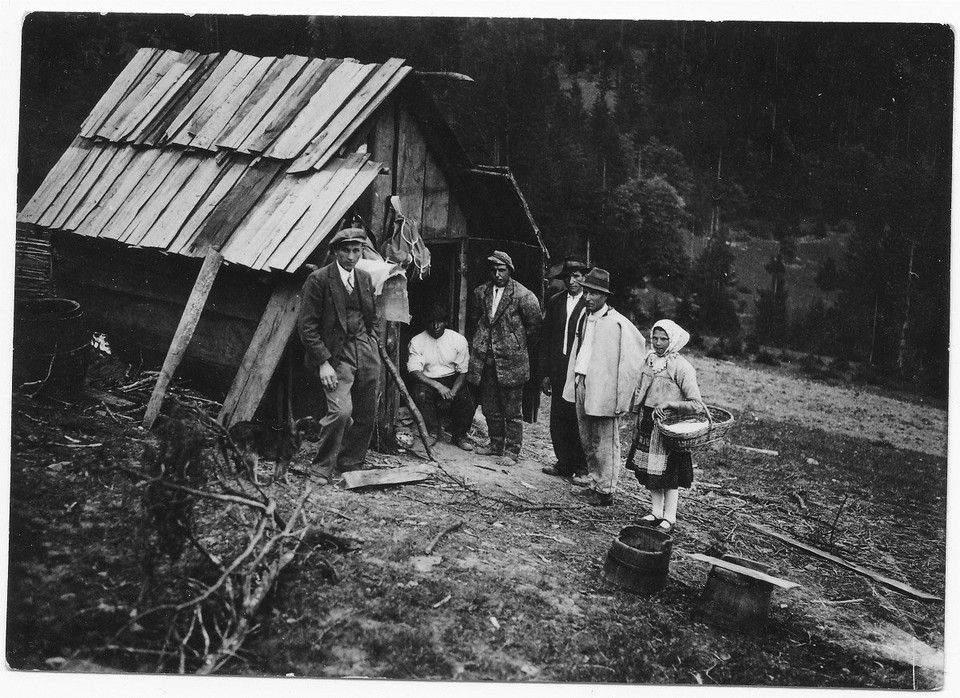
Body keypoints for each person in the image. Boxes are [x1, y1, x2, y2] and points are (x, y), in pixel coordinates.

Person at [297, 228, 382, 480]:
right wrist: (323, 362)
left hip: (365, 350)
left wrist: (373, 341)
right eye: (346, 250)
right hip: (336, 354)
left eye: (356, 251)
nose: (351, 256)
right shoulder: (319, 279)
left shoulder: (365, 278)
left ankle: (351, 463)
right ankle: (322, 467)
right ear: (335, 251)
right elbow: (307, 326)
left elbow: (373, 316)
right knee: (341, 411)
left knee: (366, 410)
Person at [561, 268, 646, 506]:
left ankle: (606, 490)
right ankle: (595, 482)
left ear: (605, 296)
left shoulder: (618, 323)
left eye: (594, 294)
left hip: (604, 388)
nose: (589, 298)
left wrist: (622, 396)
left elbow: (634, 357)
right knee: (587, 437)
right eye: (587, 292)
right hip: (582, 381)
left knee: (605, 439)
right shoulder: (584, 317)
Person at [467, 250, 541, 466]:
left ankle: (512, 451)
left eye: (502, 270)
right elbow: (475, 320)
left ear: (510, 270)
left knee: (512, 411)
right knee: (490, 407)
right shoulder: (481, 293)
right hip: (486, 360)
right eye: (494, 270)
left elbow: (534, 328)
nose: (497, 274)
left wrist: (514, 343)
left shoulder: (524, 296)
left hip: (512, 363)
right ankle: (495, 444)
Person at [629, 319, 704, 534]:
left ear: (673, 340)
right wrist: (637, 415)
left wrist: (670, 403)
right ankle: (656, 512)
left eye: (664, 339)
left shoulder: (681, 367)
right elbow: (640, 391)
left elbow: (696, 404)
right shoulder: (649, 361)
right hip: (648, 422)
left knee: (669, 474)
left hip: (669, 428)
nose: (658, 342)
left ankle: (670, 517)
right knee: (650, 471)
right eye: (655, 337)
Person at [538, 258, 589, 485]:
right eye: (569, 276)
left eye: (577, 276)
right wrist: (546, 372)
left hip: (579, 368)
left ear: (584, 277)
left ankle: (582, 467)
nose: (572, 281)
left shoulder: (590, 304)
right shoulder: (556, 301)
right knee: (558, 416)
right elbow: (547, 337)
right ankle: (563, 463)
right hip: (558, 366)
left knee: (577, 416)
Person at [407, 304, 476, 451]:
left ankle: (460, 435)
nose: (436, 326)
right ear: (426, 323)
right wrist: (438, 386)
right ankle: (433, 432)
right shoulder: (417, 341)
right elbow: (414, 371)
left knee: (467, 399)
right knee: (420, 393)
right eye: (432, 322)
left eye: (439, 321)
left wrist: (452, 392)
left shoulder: (457, 339)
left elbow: (463, 371)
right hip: (429, 380)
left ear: (446, 322)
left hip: (452, 378)